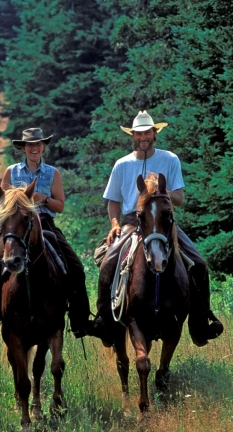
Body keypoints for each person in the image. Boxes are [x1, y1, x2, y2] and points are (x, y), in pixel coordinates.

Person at [92, 110, 223, 347]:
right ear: (133, 135)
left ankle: (201, 324)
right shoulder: (122, 164)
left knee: (200, 265)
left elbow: (180, 198)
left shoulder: (170, 159)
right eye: (139, 133)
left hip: (163, 220)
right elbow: (113, 201)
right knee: (109, 262)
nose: (143, 137)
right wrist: (114, 224)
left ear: (155, 133)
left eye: (147, 133)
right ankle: (104, 322)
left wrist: (157, 193)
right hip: (134, 220)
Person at [0, 127, 90, 341]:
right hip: (14, 227)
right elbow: (0, 204)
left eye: (38, 144)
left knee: (76, 267)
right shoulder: (12, 172)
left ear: (43, 147)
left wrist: (43, 198)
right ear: (23, 148)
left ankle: (79, 320)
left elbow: (60, 206)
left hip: (44, 224)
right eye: (30, 145)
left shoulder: (52, 173)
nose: (34, 148)